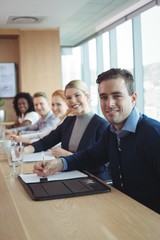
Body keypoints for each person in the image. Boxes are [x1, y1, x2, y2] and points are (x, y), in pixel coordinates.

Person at [33, 68, 160, 214]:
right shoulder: (112, 132)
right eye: (104, 97)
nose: (109, 103)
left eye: (117, 96)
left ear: (133, 98)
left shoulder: (153, 134)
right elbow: (90, 156)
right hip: (122, 207)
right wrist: (57, 163)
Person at [24, 80, 110, 180]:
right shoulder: (69, 121)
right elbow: (46, 142)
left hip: (92, 179)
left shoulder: (102, 125)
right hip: (69, 175)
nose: (72, 101)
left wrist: (67, 156)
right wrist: (23, 151)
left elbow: (101, 166)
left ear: (87, 97)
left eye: (77, 95)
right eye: (68, 98)